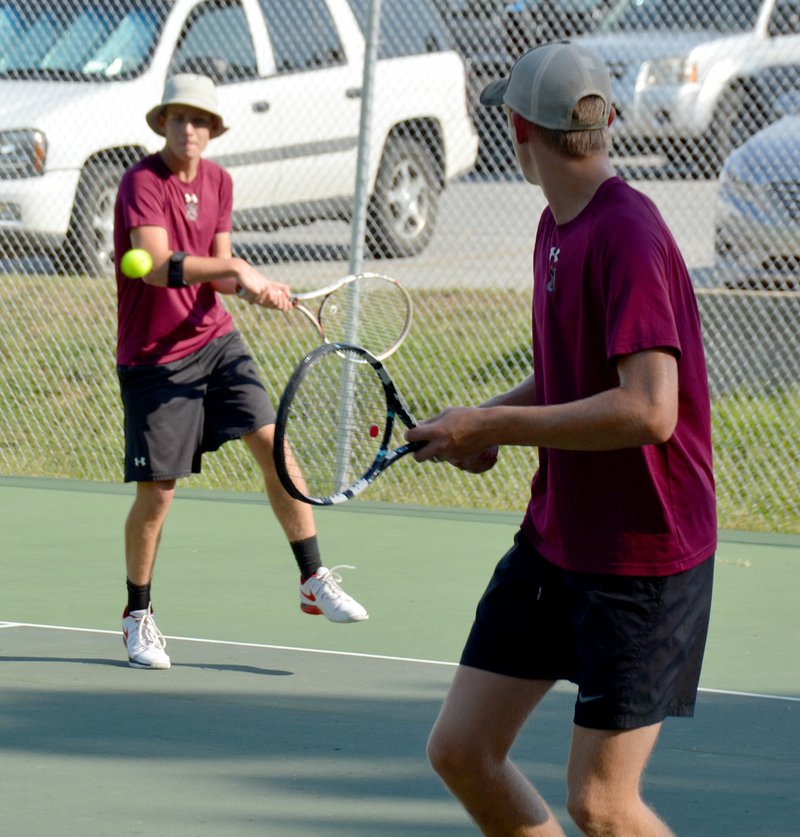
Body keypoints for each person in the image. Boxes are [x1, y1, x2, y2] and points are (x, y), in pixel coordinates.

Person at [406, 42, 717, 835]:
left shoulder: (629, 234)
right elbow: (572, 378)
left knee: (603, 805)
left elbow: (650, 409)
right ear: (605, 120)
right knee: (463, 748)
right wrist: (481, 424)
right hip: (559, 541)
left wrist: (498, 425)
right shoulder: (557, 224)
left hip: (642, 560)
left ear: (517, 128)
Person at [114, 74, 368, 671]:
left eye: (200, 120)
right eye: (179, 118)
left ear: (213, 128)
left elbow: (220, 273)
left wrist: (254, 288)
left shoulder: (220, 181)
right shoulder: (140, 184)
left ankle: (313, 578)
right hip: (154, 357)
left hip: (215, 339)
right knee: (158, 496)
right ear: (164, 123)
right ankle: (137, 616)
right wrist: (236, 266)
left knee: (274, 446)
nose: (190, 129)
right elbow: (152, 266)